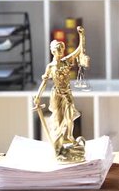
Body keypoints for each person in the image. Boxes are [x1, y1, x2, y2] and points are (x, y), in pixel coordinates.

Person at [33, 26, 90, 162]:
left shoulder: (66, 61)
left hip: (67, 94)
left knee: (69, 116)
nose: (60, 52)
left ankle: (69, 136)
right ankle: (58, 147)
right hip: (57, 95)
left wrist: (81, 35)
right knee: (58, 120)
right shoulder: (51, 67)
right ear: (53, 51)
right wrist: (38, 96)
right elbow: (45, 82)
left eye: (61, 49)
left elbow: (78, 51)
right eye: (57, 50)